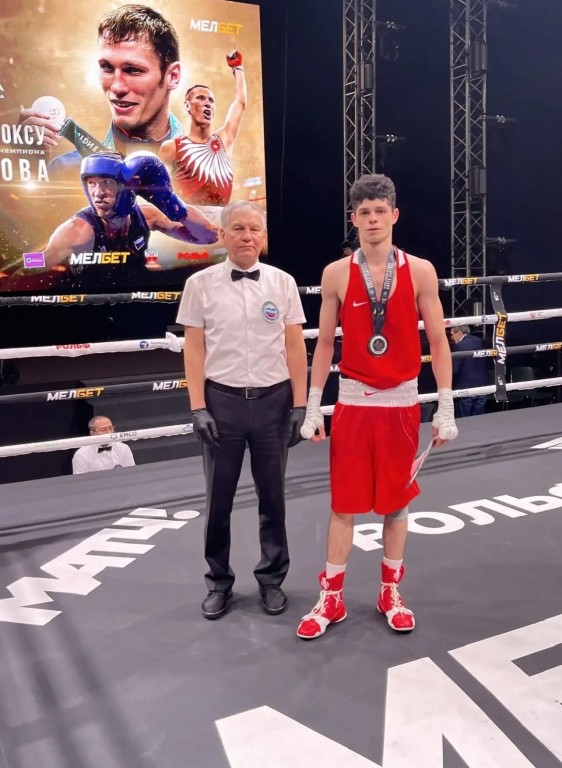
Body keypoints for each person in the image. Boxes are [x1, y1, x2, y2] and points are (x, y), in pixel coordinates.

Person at [296, 173, 458, 640]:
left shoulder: (420, 270)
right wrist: (313, 406)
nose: (372, 219)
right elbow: (324, 344)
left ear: (394, 215)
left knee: (395, 504)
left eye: (380, 211)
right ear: (354, 218)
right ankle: (331, 598)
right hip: (352, 402)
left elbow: (439, 342)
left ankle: (391, 592)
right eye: (364, 212)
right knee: (344, 504)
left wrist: (445, 405)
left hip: (401, 403)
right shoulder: (335, 273)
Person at [176, 201, 308, 620]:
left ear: (263, 237)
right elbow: (193, 349)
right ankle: (218, 582)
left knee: (274, 499)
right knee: (219, 501)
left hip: (274, 402)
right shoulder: (199, 284)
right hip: (222, 403)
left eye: (254, 229)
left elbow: (295, 346)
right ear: (222, 234)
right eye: (238, 228)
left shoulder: (283, 282)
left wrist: (301, 405)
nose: (247, 236)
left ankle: (272, 579)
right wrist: (198, 407)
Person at [20, 5, 184, 179]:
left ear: (172, 76)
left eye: (133, 70)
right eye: (107, 67)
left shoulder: (202, 166)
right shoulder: (65, 170)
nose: (117, 87)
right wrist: (26, 167)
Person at [43, 151, 217, 289]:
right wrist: (30, 258)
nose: (98, 193)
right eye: (91, 183)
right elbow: (38, 262)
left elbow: (208, 236)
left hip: (136, 301)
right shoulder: (78, 231)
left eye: (107, 182)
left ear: (127, 187)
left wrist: (171, 202)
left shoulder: (147, 216)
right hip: (89, 308)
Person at [159, 51, 247, 206]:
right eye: (200, 98)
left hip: (221, 216)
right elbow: (160, 190)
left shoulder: (224, 140)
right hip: (189, 216)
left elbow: (240, 103)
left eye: (211, 101)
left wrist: (238, 68)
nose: (207, 103)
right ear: (188, 106)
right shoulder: (171, 147)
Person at [450, 325, 489, 417]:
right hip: (482, 386)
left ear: (459, 333)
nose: (451, 338)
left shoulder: (459, 346)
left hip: (466, 387)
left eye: (452, 334)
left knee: (464, 419)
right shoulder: (479, 341)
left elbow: (455, 369)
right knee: (479, 418)